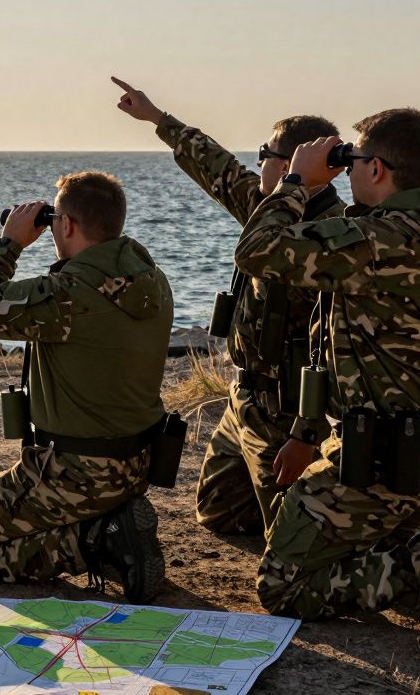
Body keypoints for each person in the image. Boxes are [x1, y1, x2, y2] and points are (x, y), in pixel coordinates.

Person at [234, 108, 420, 647]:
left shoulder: (374, 242)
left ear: (376, 169)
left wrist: (297, 180)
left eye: (351, 162)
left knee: (283, 586)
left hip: (373, 466)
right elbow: (333, 344)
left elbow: (256, 252)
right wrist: (306, 433)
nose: (344, 172)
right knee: (357, 556)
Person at [112, 76, 346, 535]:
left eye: (267, 154)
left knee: (293, 540)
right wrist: (157, 118)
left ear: (295, 165)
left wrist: (308, 431)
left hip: (288, 410)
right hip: (244, 399)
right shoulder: (267, 209)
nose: (257, 162)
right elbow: (215, 167)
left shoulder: (334, 235)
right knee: (217, 511)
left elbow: (336, 352)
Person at [0, 171, 174, 603]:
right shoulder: (154, 281)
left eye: (54, 221)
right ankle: (114, 523)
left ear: (65, 224)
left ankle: (98, 542)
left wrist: (9, 244)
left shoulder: (67, 294)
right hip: (137, 464)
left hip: (76, 472)